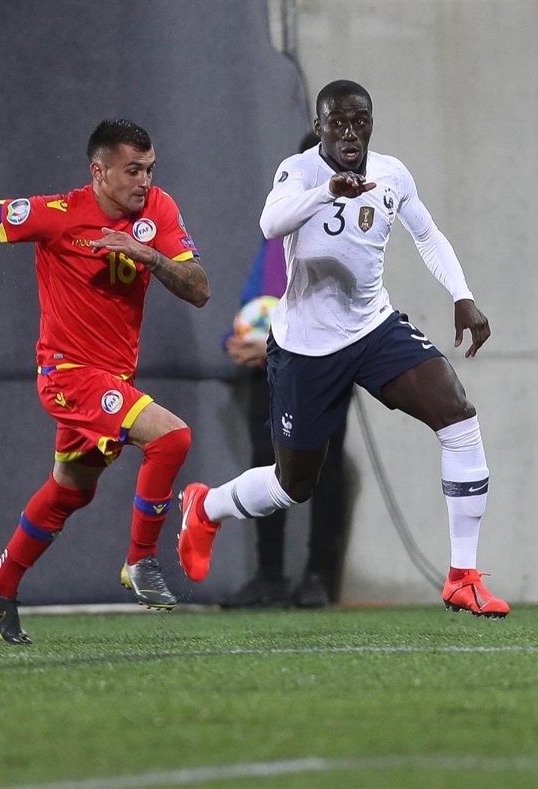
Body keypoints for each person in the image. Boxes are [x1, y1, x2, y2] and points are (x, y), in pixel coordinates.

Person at [178, 80, 509, 617]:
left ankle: (463, 577)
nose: (350, 133)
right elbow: (270, 223)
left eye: (360, 122)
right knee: (293, 485)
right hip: (306, 347)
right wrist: (328, 191)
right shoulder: (299, 170)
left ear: (371, 124)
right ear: (320, 127)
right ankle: (206, 506)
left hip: (373, 329)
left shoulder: (392, 174)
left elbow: (427, 235)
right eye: (338, 123)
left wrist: (462, 296)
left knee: (458, 416)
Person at [0, 119, 210, 644]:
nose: (144, 181)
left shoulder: (159, 211)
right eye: (132, 171)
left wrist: (148, 254)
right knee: (173, 437)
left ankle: (0, 581)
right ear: (98, 172)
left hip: (113, 378)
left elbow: (199, 290)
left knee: (70, 492)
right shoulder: (58, 214)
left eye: (149, 169)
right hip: (68, 376)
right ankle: (141, 561)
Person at [223, 131, 350, 609]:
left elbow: (346, 302)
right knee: (267, 460)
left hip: (329, 362)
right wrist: (238, 338)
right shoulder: (282, 220)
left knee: (326, 464)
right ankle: (270, 576)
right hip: (273, 366)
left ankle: (318, 576)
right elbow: (260, 292)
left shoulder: (351, 225)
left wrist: (272, 339)